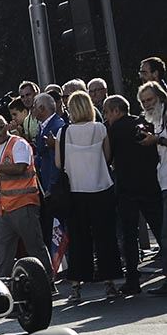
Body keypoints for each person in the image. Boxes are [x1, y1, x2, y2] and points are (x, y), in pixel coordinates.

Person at [56, 91, 121, 302]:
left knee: (78, 239)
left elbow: (59, 163)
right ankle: (109, 282)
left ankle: (76, 285)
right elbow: (108, 156)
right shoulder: (100, 128)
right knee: (106, 237)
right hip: (101, 188)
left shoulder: (64, 132)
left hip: (75, 191)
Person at [0, 114, 53, 279]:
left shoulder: (18, 144)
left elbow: (20, 168)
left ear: (6, 126)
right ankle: (3, 285)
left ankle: (47, 281)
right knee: (2, 250)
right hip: (4, 207)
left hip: (23, 204)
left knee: (34, 246)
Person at [103, 94, 163, 294]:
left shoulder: (114, 130)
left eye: (107, 112)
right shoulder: (145, 123)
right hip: (149, 184)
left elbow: (108, 156)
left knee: (129, 236)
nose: (106, 117)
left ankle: (132, 280)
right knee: (160, 231)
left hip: (127, 188)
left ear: (116, 111)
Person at [137, 81, 167, 294]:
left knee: (164, 235)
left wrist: (156, 139)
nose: (147, 104)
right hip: (163, 181)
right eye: (143, 101)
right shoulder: (156, 118)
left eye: (150, 99)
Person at [32, 92, 67, 251]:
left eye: (34, 107)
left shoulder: (56, 126)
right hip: (46, 182)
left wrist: (51, 186)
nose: (32, 110)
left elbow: (55, 159)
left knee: (60, 226)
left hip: (55, 186)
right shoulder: (44, 126)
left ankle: (64, 260)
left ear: (41, 108)